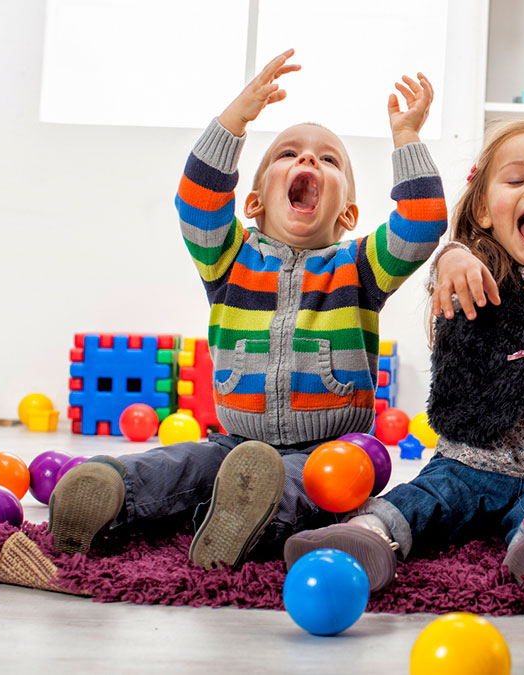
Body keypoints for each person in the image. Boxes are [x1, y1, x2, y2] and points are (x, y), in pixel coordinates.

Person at [48, 50, 447, 570]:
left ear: (348, 213)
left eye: (329, 160)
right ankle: (112, 489)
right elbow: (197, 200)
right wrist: (236, 119)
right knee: (184, 464)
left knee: (311, 486)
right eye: (289, 154)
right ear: (254, 202)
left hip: (330, 448)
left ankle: (245, 519)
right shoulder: (228, 258)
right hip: (234, 443)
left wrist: (407, 137)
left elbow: (422, 224)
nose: (309, 162)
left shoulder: (360, 267)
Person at [284, 120, 524, 591]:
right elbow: (446, 273)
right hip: (467, 463)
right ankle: (366, 535)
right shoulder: (470, 268)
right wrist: (452, 257)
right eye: (517, 179)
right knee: (422, 499)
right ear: (485, 210)